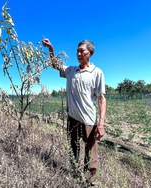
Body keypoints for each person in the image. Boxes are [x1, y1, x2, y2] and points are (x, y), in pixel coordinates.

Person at [42, 38, 106, 186]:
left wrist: (101, 123)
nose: (78, 53)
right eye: (77, 50)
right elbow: (55, 65)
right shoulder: (71, 71)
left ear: (90, 53)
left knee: (90, 151)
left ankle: (89, 181)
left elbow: (102, 99)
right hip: (72, 118)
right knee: (73, 147)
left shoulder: (97, 73)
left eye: (81, 50)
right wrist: (51, 48)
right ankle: (75, 174)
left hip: (89, 120)